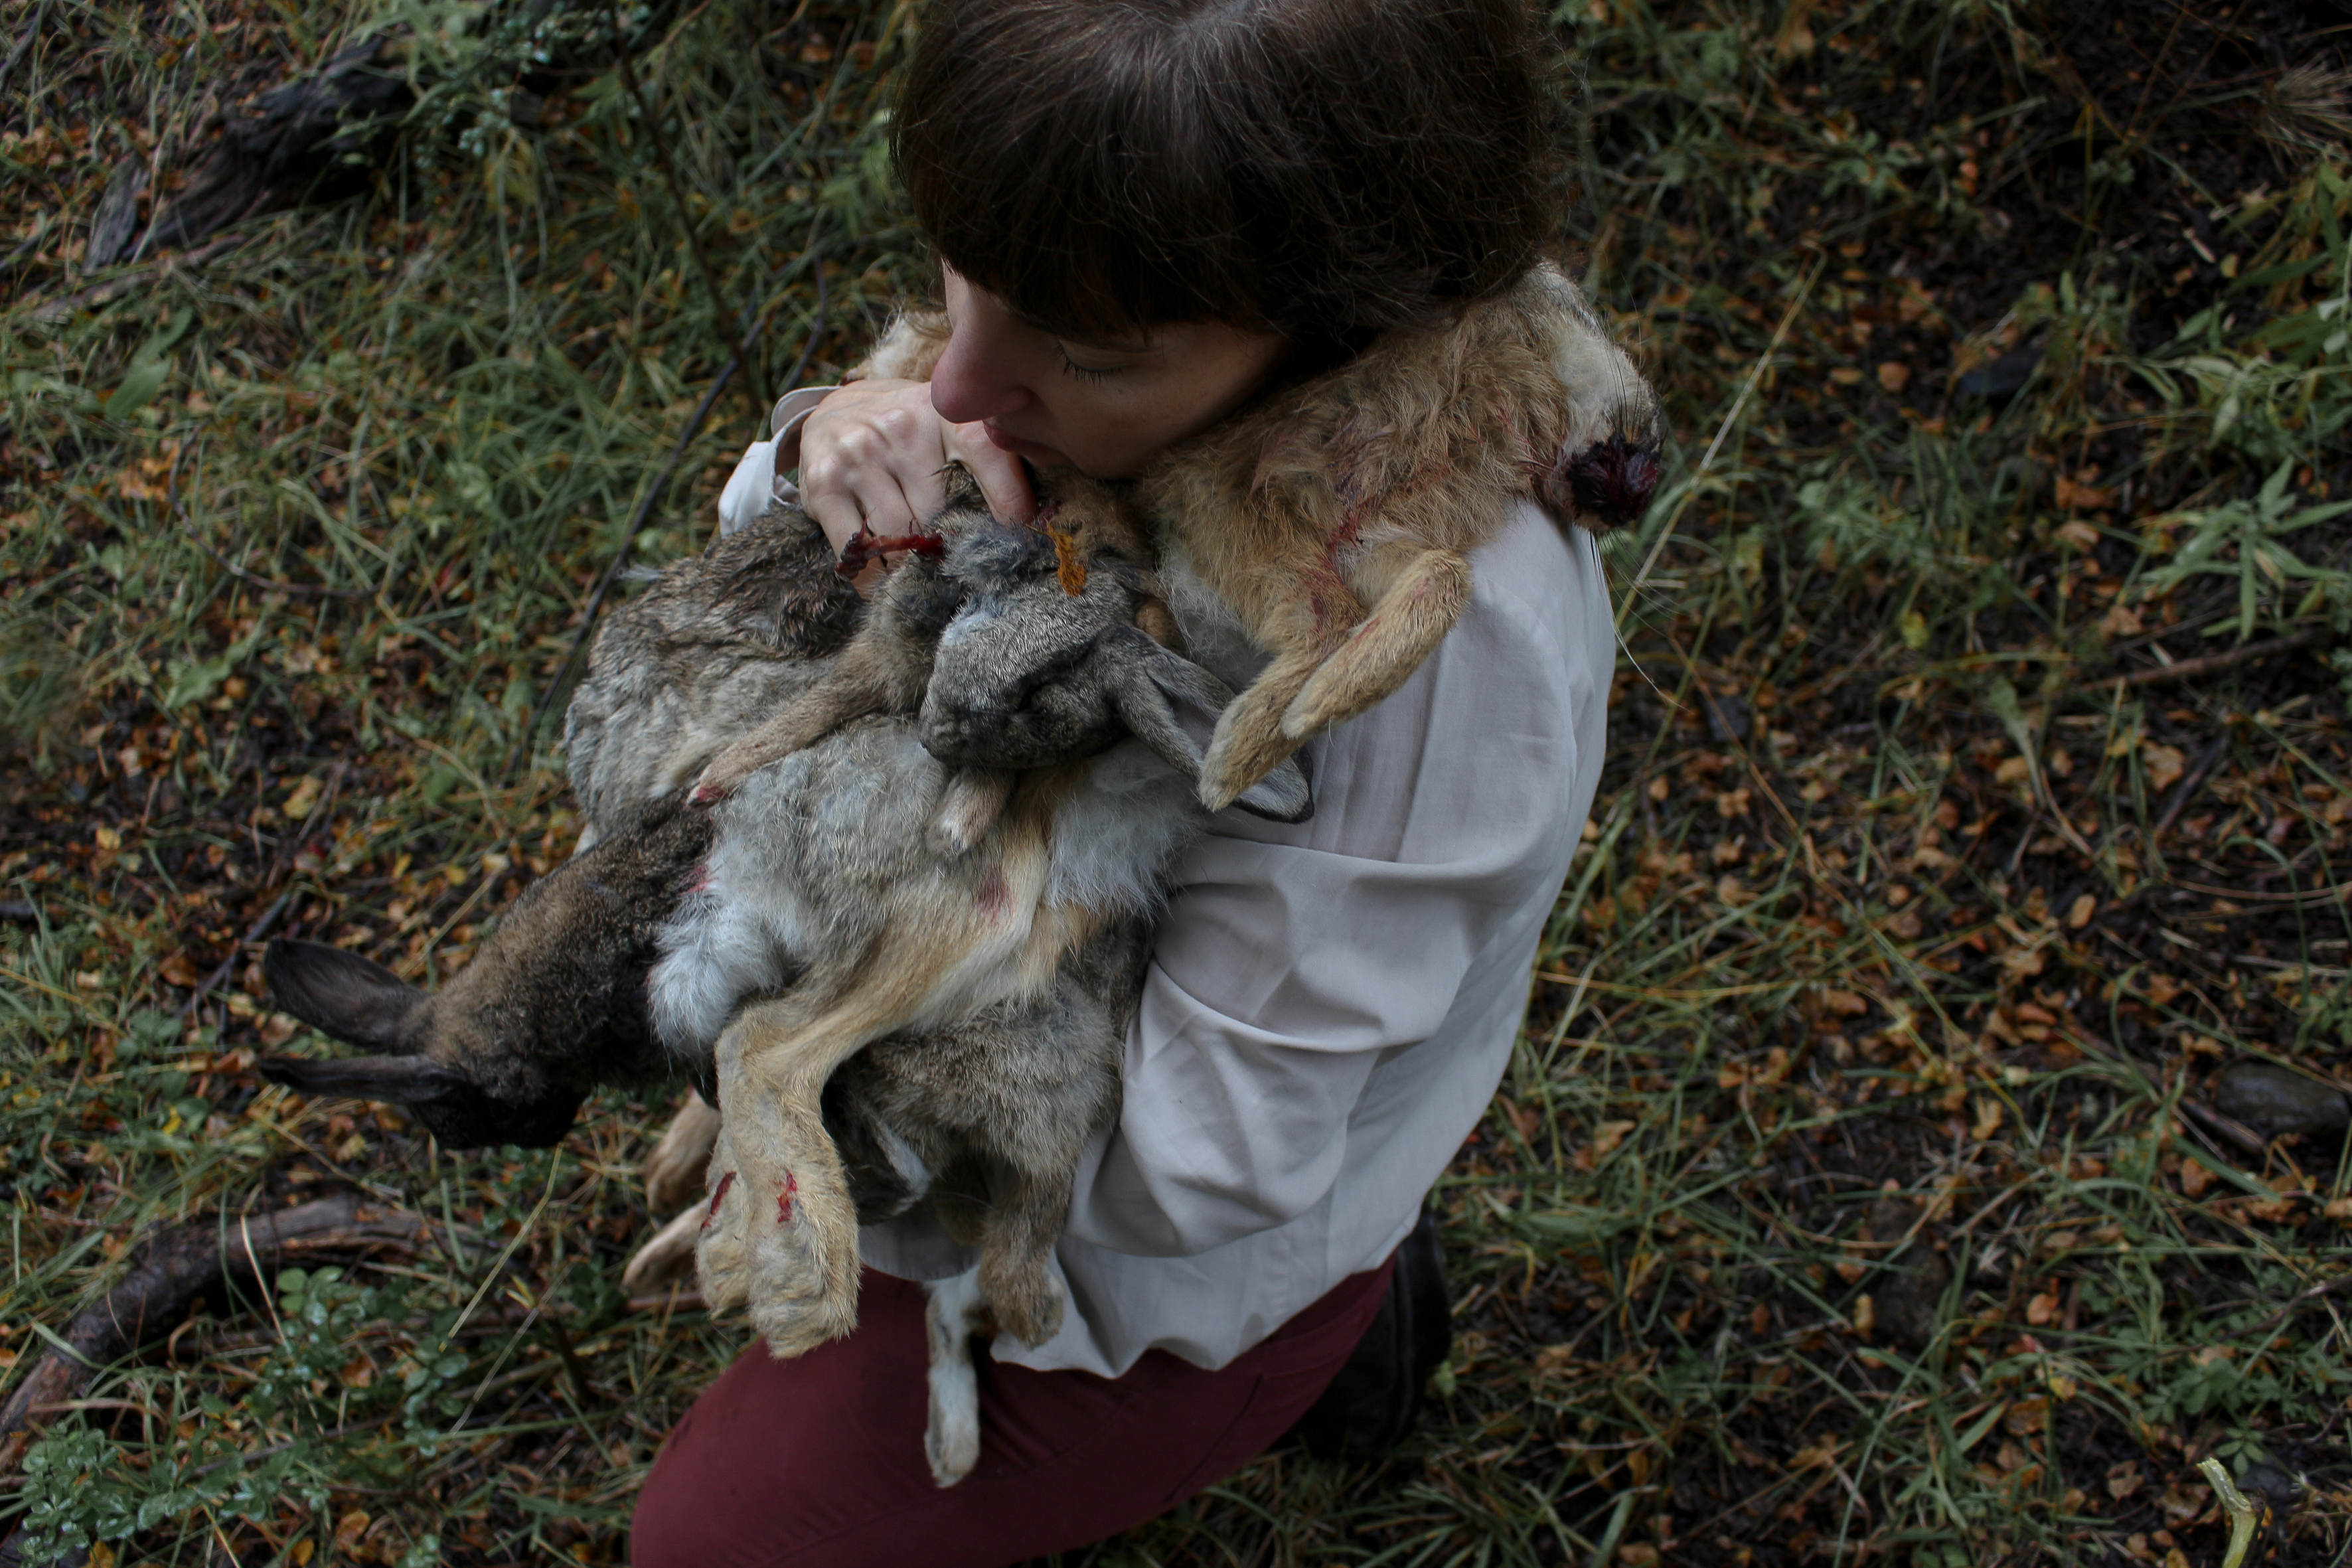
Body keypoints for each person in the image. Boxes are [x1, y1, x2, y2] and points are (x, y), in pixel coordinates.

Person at [631, 1, 1622, 1561]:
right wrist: (826, 439)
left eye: (1083, 350)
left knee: (714, 1544)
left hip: (1140, 1268)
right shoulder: (1137, 324)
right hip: (1089, 1035)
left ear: (1337, 320)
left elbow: (1200, 1160)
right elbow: (802, 556)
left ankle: (1315, 1337)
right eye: (961, 280)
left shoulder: (1418, 655)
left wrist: (784, 1054)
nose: (962, 388)